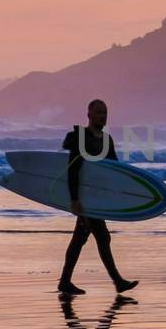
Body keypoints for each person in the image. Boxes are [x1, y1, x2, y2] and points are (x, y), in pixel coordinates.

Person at [58, 99, 138, 295]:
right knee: (102, 236)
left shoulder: (106, 140)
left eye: (105, 112)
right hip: (85, 198)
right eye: (99, 112)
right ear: (89, 115)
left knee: (80, 238)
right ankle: (117, 281)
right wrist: (75, 199)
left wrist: (122, 190)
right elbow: (73, 169)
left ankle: (65, 282)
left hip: (97, 197)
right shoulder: (82, 138)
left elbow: (114, 169)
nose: (103, 116)